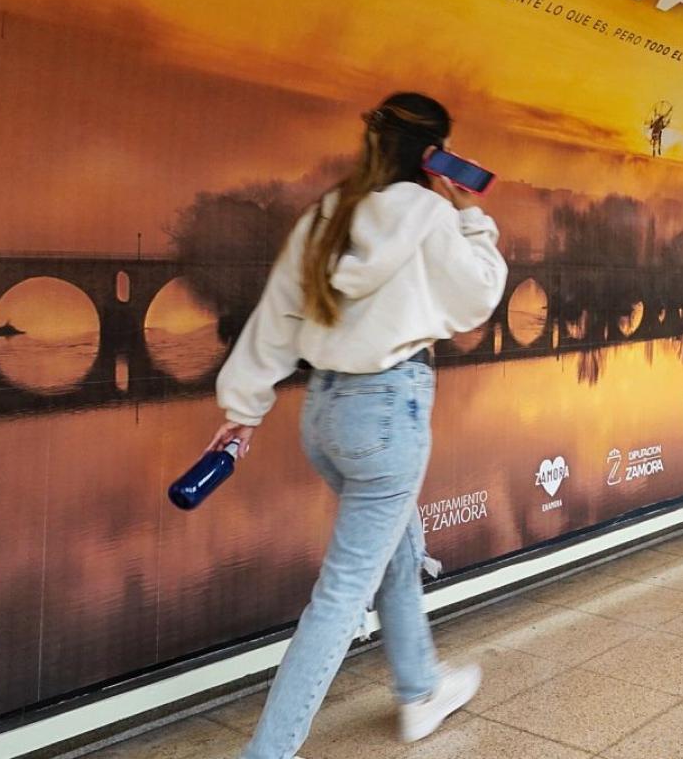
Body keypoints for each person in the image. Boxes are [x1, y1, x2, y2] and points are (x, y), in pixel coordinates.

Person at [209, 92, 508, 758]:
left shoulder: (327, 214)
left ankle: (420, 689)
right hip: (388, 415)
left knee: (394, 549)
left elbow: (277, 318)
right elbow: (478, 298)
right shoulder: (432, 212)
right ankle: (268, 752)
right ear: (435, 156)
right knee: (343, 594)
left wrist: (243, 411)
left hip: (324, 415)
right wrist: (474, 219)